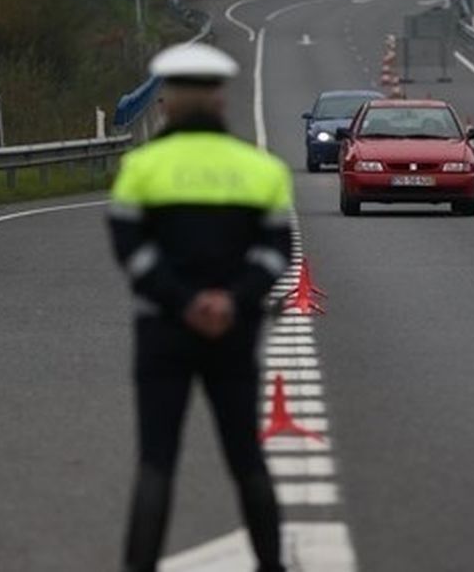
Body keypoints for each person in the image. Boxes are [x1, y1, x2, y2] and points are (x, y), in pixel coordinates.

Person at [108, 42, 294, 572]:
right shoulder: (262, 170)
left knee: (156, 464)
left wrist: (185, 302)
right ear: (220, 99)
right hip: (233, 333)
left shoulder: (139, 167)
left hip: (163, 332)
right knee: (246, 461)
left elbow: (131, 251)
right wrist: (229, 300)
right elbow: (274, 251)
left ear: (165, 102)